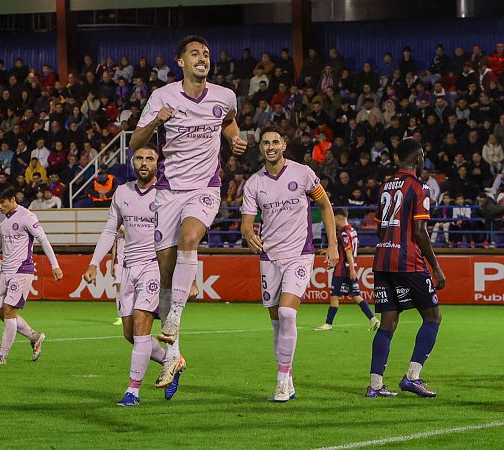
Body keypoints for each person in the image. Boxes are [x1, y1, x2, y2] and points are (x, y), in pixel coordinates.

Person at [129, 35, 246, 388]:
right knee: (166, 274)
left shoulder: (225, 96)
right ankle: (172, 358)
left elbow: (228, 120)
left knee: (190, 237)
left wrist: (234, 139)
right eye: (195, 53)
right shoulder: (162, 98)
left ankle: (174, 320)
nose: (202, 58)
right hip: (168, 191)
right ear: (180, 61)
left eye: (206, 54)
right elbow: (136, 143)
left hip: (205, 188)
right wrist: (156, 122)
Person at [240, 126, 339, 402]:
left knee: (287, 314)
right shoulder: (253, 184)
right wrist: (248, 234)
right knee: (276, 323)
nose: (270, 146)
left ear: (284, 145)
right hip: (270, 257)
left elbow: (326, 206)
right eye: (265, 143)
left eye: (275, 142)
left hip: (300, 253)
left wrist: (332, 245)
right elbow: (247, 223)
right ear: (260, 148)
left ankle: (282, 381)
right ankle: (288, 375)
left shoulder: (303, 173)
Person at [83, 146, 180, 405]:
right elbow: (109, 230)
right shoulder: (122, 192)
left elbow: (180, 235)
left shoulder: (167, 194)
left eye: (150, 158)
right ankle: (172, 360)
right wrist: (94, 263)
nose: (144, 162)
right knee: (130, 334)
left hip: (153, 266)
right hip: (127, 268)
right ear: (132, 162)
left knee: (140, 326)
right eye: (139, 158)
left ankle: (132, 391)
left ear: (158, 163)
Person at [367, 138, 446, 398]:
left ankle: (375, 385)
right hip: (408, 260)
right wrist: (435, 267)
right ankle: (412, 376)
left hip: (382, 260)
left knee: (388, 321)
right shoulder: (418, 187)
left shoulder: (385, 186)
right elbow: (421, 231)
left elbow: (379, 227)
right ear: (418, 157)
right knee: (433, 317)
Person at [0, 186, 63, 365]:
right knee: (3, 314)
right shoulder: (0, 216)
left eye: (3, 203)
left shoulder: (27, 217)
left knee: (9, 312)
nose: (0, 206)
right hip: (5, 270)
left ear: (13, 199)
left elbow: (43, 240)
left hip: (22, 270)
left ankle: (2, 356)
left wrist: (55, 265)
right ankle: (35, 337)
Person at [314, 208, 379, 331]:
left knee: (334, 296)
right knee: (356, 296)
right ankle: (373, 319)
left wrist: (350, 269)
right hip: (350, 267)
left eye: (334, 218)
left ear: (338, 217)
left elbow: (348, 251)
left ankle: (328, 324)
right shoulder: (352, 230)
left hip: (343, 270)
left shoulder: (343, 233)